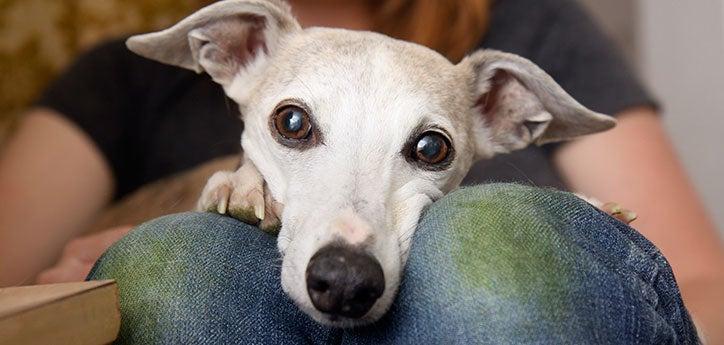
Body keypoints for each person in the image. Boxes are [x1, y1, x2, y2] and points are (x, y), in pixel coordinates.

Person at [0, 0, 721, 342]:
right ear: (228, 52)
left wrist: (553, 246)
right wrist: (60, 293)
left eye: (428, 148)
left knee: (491, 240)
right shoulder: (129, 83)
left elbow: (703, 283)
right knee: (176, 267)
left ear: (503, 112)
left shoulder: (528, 27)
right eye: (295, 125)